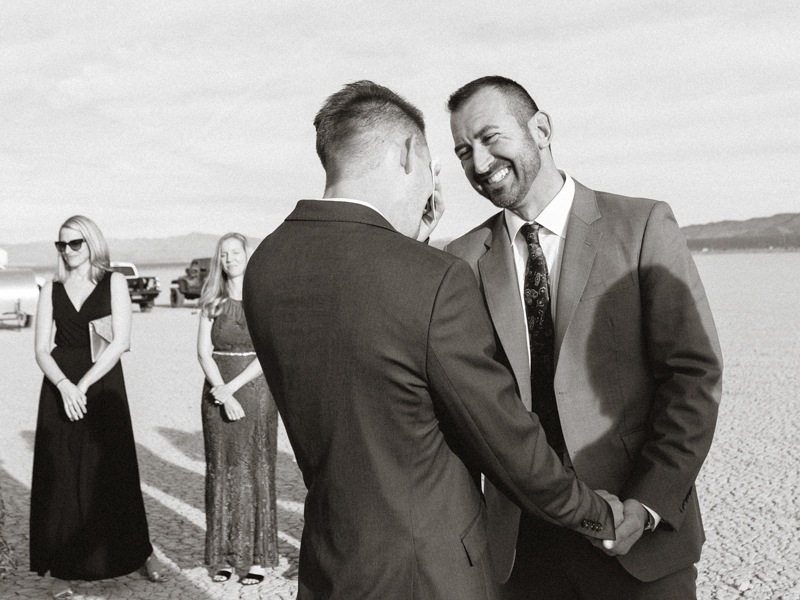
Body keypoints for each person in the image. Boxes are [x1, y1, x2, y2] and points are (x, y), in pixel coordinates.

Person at [243, 80, 623, 600]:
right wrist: (595, 513)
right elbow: (502, 437)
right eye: (431, 168)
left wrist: (408, 246)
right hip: (431, 575)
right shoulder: (433, 280)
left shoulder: (266, 264)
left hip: (332, 561)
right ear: (406, 153)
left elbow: (364, 371)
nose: (431, 187)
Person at [445, 76, 723, 599]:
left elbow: (693, 376)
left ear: (541, 129)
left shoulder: (641, 226)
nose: (479, 164)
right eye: (463, 151)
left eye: (489, 137)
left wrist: (647, 504)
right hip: (521, 553)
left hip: (640, 541)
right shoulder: (458, 262)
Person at [31, 215, 165, 599]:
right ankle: (62, 566)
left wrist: (84, 385)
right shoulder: (50, 288)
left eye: (76, 243)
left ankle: (141, 551)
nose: (69, 251)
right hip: (59, 388)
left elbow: (121, 341)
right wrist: (64, 385)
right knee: (62, 475)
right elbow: (41, 348)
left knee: (115, 469)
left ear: (92, 243)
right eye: (62, 245)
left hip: (102, 384)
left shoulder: (114, 282)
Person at [197, 232, 279, 586]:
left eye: (235, 252)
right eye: (224, 254)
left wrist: (232, 389)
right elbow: (202, 351)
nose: (229, 259)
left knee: (255, 469)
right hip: (216, 391)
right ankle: (226, 557)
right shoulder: (211, 300)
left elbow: (267, 352)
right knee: (223, 472)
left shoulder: (263, 297)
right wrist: (221, 392)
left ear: (247, 256)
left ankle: (258, 558)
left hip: (255, 391)